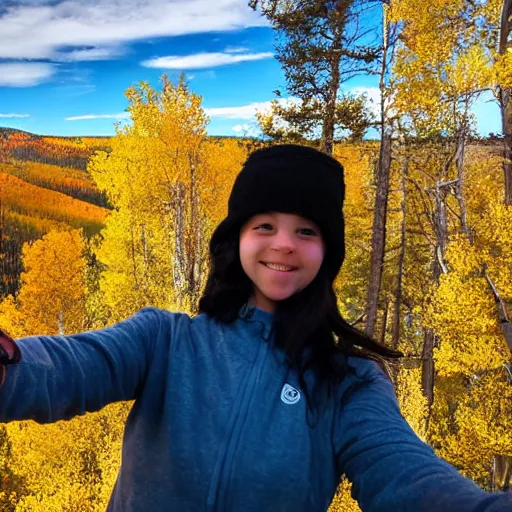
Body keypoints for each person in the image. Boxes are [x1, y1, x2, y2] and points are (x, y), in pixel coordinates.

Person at [0, 144, 510, 512]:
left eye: (306, 231)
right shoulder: (165, 341)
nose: (284, 244)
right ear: (237, 238)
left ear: (326, 252)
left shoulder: (348, 382)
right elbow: (71, 366)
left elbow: (402, 470)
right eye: (264, 225)